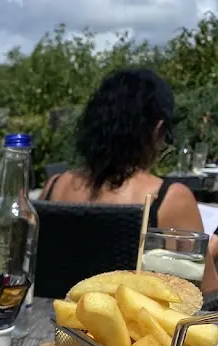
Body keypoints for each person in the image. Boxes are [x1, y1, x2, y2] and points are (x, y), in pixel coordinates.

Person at [41, 68, 218, 294]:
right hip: (128, 326)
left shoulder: (55, 185)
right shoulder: (167, 198)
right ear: (157, 130)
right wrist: (211, 250)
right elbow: (208, 290)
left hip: (56, 322)